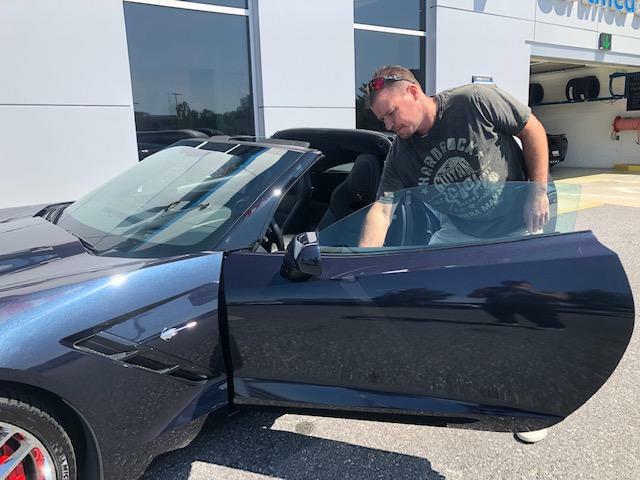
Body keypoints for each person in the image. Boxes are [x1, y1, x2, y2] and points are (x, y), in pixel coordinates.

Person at [359, 65, 551, 247]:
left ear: (413, 92)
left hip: (518, 222)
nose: (388, 125)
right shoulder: (400, 155)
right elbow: (382, 211)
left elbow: (532, 130)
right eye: (383, 119)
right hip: (461, 231)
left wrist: (537, 193)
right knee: (430, 269)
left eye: (391, 113)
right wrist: (363, 261)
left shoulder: (473, 101)